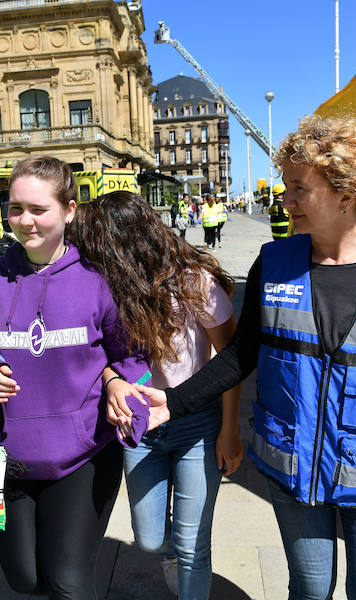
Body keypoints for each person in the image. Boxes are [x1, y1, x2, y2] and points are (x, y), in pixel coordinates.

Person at [122, 114, 356, 600]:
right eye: (285, 187)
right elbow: (241, 354)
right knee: (311, 589)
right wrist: (174, 402)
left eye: (299, 189)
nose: (285, 201)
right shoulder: (273, 264)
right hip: (292, 468)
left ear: (345, 193)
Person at [0, 156, 150, 599]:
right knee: (23, 578)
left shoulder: (99, 279)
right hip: (7, 456)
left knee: (67, 580)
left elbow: (134, 355)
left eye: (38, 209)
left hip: (82, 455)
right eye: (15, 208)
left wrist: (119, 384)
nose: (25, 220)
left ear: (69, 211)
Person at [69, 191, 242, 599]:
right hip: (140, 427)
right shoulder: (106, 288)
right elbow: (94, 354)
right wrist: (111, 380)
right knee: (148, 539)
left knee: (193, 545)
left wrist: (229, 429)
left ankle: (186, 560)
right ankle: (173, 555)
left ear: (121, 242)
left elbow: (231, 358)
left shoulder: (194, 282)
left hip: (197, 423)